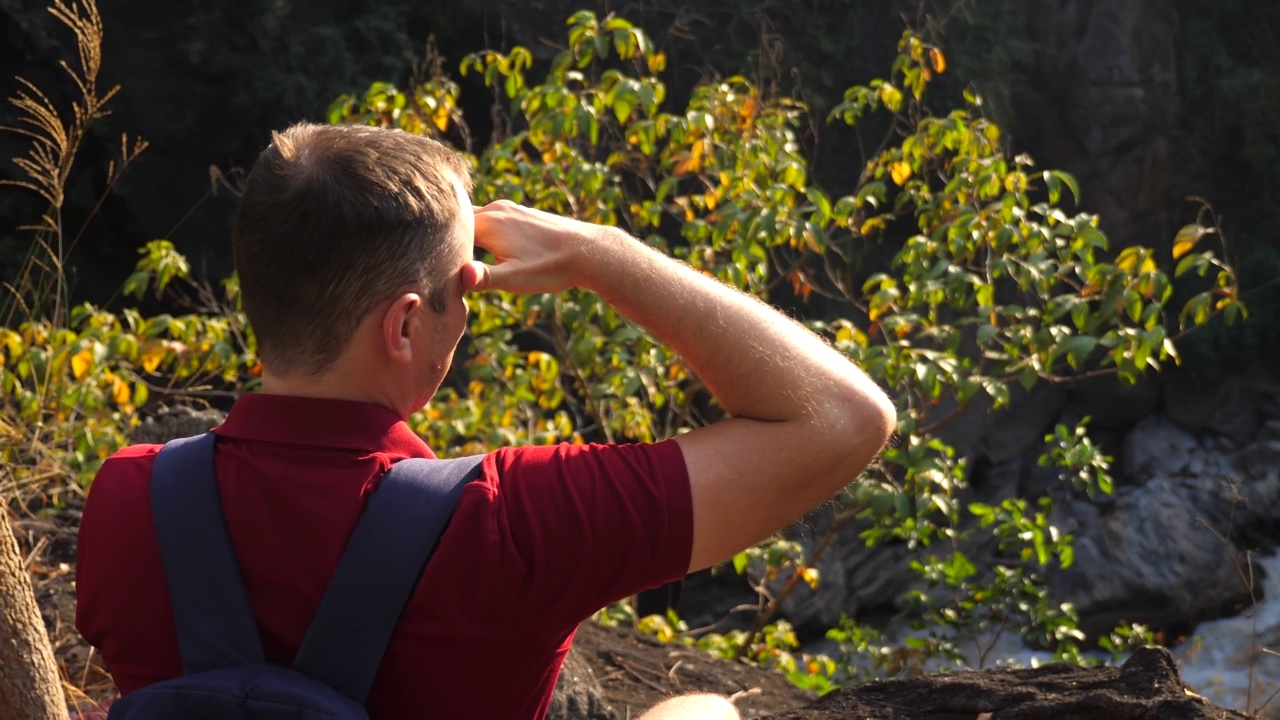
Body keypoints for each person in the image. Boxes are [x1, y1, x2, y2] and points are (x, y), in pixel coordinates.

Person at [75, 123, 895, 719]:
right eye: (464, 292)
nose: (469, 317)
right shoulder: (511, 523)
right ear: (402, 327)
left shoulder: (126, 498)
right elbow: (845, 417)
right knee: (703, 712)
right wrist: (601, 253)